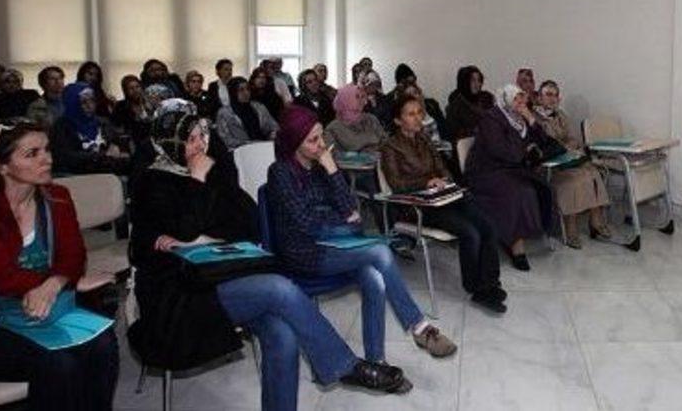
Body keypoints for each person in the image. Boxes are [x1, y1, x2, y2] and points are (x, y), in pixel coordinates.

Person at [128, 104, 409, 409]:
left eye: (201, 137)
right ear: (169, 143)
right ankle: (344, 365)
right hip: (182, 294)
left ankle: (329, 373)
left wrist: (202, 236)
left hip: (225, 273)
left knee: (283, 334)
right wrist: (196, 185)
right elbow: (168, 237)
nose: (199, 147)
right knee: (278, 288)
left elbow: (245, 222)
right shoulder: (152, 181)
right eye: (190, 140)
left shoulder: (214, 170)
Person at [0, 120, 119, 411]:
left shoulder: (58, 198)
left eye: (47, 149)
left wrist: (54, 284)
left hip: (37, 310)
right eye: (32, 154)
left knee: (103, 344)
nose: (47, 159)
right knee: (59, 363)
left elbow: (73, 256)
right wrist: (62, 282)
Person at [263, 105, 458, 363]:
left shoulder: (320, 166)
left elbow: (349, 207)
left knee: (374, 278)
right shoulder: (279, 172)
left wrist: (332, 170)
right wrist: (341, 221)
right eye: (313, 140)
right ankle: (420, 327)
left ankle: (376, 361)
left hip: (334, 243)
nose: (321, 145)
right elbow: (306, 223)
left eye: (321, 136)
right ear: (294, 143)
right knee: (380, 251)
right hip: (304, 252)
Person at [381, 96, 506, 313]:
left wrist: (445, 180)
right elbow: (396, 184)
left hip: (442, 197)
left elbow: (443, 169)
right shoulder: (390, 147)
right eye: (411, 114)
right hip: (417, 207)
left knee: (488, 226)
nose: (418, 118)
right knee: (470, 232)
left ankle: (490, 283)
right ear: (398, 121)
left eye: (419, 112)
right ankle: (476, 289)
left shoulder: (424, 139)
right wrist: (426, 182)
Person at [463, 84, 554, 271]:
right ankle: (516, 246)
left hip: (510, 169)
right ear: (505, 100)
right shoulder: (491, 118)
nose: (521, 102)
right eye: (516, 98)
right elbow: (500, 150)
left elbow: (543, 140)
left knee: (540, 187)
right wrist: (525, 149)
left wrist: (530, 118)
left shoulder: (520, 118)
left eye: (522, 97)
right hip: (485, 171)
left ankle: (525, 233)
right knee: (519, 191)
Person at [533, 80, 611, 248]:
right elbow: (544, 144)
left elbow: (572, 138)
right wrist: (564, 147)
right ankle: (571, 226)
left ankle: (595, 220)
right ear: (539, 98)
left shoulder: (561, 115)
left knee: (593, 172)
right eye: (548, 94)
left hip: (567, 160)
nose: (552, 99)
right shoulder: (534, 119)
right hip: (549, 166)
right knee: (573, 180)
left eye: (555, 95)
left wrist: (570, 147)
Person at [50, 83, 132, 176]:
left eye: (92, 100)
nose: (90, 106)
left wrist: (120, 150)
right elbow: (65, 157)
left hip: (108, 170)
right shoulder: (62, 126)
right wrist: (101, 155)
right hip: (80, 175)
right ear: (72, 104)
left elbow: (116, 142)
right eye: (83, 102)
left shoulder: (102, 122)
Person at [215, 77, 278, 149]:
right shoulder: (224, 113)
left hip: (264, 146)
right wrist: (248, 143)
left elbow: (273, 126)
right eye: (241, 90)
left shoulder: (258, 107)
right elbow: (226, 139)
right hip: (240, 150)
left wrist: (273, 134)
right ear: (233, 92)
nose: (246, 93)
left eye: (248, 89)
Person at [325, 84, 387, 154]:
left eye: (363, 97)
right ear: (345, 99)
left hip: (379, 158)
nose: (362, 101)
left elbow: (385, 141)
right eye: (357, 97)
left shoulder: (371, 119)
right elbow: (332, 154)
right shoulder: (333, 129)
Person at [446, 65, 495, 140]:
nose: (477, 84)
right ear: (464, 82)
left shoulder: (486, 99)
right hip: (469, 143)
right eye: (473, 80)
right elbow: (454, 134)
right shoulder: (455, 107)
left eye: (479, 80)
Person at [110, 75, 152, 150]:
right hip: (133, 143)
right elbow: (118, 128)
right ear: (125, 91)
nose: (135, 90)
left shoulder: (148, 103)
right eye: (131, 88)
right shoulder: (121, 106)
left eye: (137, 87)